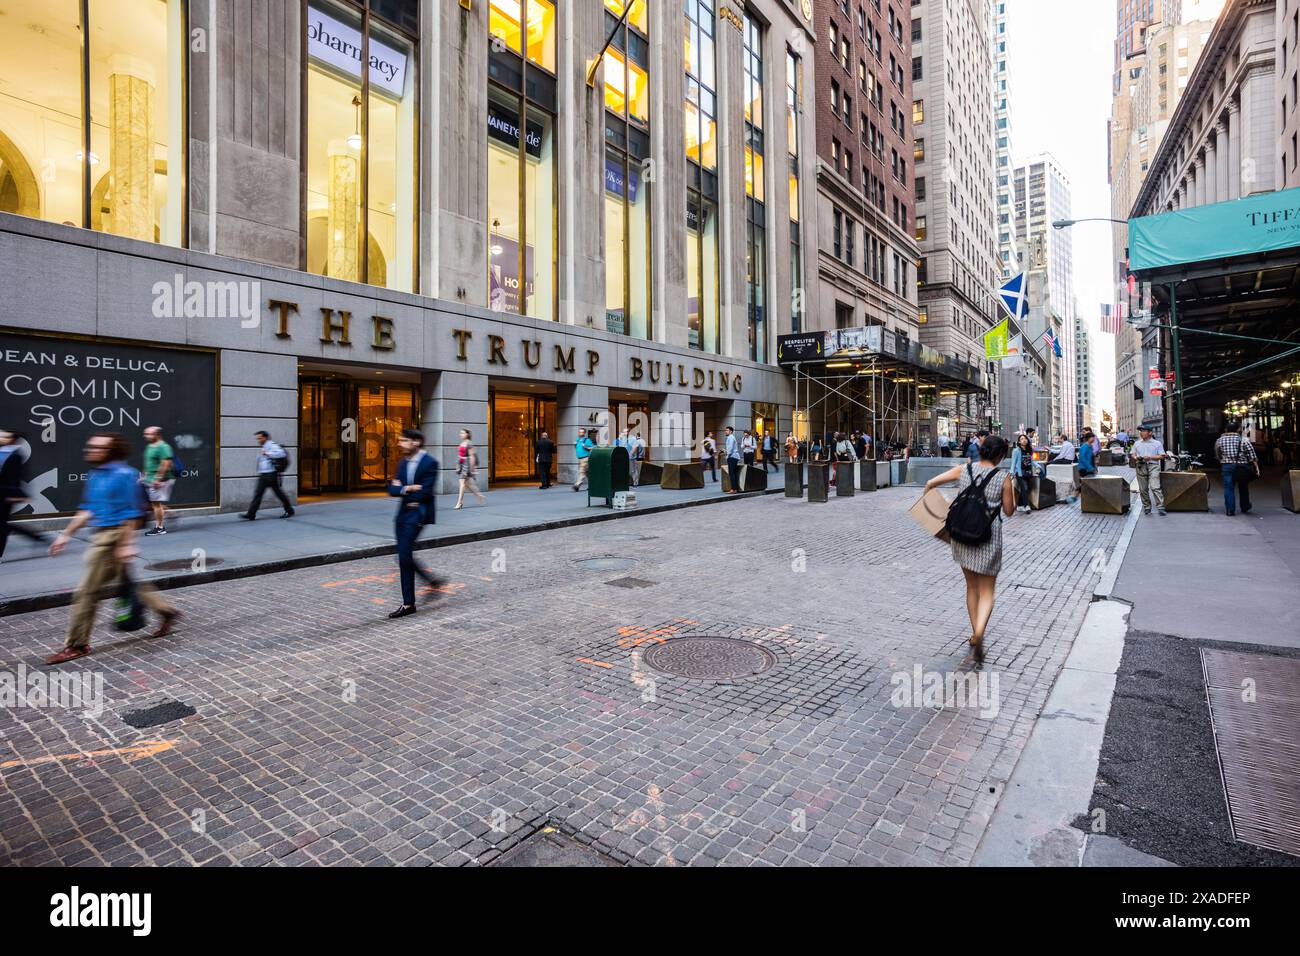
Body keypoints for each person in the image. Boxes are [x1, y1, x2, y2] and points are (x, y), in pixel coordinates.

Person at [45, 433, 180, 664]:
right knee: (130, 584)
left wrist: (127, 544)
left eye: (98, 448)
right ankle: (167, 611)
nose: (91, 450)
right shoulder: (95, 474)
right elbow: (88, 509)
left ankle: (77, 644)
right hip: (101, 534)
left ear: (112, 451)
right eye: (91, 446)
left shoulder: (124, 475)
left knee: (86, 592)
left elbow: (131, 513)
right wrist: (65, 535)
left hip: (114, 537)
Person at [924, 435, 1014, 665]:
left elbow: (930, 483)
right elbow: (1010, 510)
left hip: (962, 536)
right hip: (988, 538)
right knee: (987, 591)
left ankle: (975, 632)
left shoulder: (964, 469)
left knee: (971, 586)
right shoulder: (1004, 477)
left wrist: (929, 508)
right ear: (1001, 456)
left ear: (982, 450)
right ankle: (981, 632)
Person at [386, 428, 443, 619]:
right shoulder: (403, 462)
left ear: (416, 442)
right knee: (404, 556)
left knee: (403, 556)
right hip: (402, 514)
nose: (400, 443)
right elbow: (391, 489)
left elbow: (425, 492)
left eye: (404, 440)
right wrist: (408, 488)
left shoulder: (430, 463)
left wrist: (405, 490)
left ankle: (408, 603)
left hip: (418, 514)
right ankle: (432, 582)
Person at [0, 429, 47, 560]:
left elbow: (16, 476)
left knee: (2, 525)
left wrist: (16, 494)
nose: (1, 438)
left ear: (11, 439)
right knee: (4, 524)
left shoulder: (16, 455)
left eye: (4, 436)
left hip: (6, 495)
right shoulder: (2, 452)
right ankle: (37, 537)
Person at [241, 430, 294, 520]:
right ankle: (251, 514)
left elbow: (282, 453)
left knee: (278, 494)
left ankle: (289, 510)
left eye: (260, 438)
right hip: (264, 475)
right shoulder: (265, 446)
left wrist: (268, 453)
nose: (258, 440)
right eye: (258, 438)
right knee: (259, 494)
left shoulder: (272, 445)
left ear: (265, 437)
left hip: (271, 474)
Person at [1215, 420, 1258, 516]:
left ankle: (1230, 510)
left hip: (1227, 466)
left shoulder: (1220, 440)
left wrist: (1223, 460)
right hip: (1242, 466)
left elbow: (1218, 454)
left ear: (1226, 430)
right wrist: (1256, 467)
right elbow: (1252, 455)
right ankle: (1245, 506)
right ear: (1238, 429)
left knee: (1228, 488)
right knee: (1243, 487)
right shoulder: (1244, 440)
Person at [141, 426, 176, 535]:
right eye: (145, 434)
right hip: (150, 479)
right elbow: (149, 462)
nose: (145, 436)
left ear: (157, 435)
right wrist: (144, 475)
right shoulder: (150, 446)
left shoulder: (163, 447)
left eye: (149, 434)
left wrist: (158, 479)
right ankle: (170, 515)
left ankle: (160, 528)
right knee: (154, 503)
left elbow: (166, 463)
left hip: (159, 480)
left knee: (156, 504)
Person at [1129, 423, 1167, 516]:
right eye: (1140, 431)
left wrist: (1150, 457)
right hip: (1140, 466)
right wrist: (1136, 457)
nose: (1141, 433)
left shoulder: (1157, 443)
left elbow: (1162, 456)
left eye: (1143, 431)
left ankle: (1161, 507)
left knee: (1155, 487)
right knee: (1143, 489)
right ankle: (1147, 507)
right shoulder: (1137, 443)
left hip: (1153, 466)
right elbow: (1132, 453)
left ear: (1150, 433)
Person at [455, 428, 487, 508]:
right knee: (468, 485)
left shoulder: (469, 444)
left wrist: (472, 469)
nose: (461, 434)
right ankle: (480, 496)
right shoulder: (462, 443)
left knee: (462, 483)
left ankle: (459, 502)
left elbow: (472, 457)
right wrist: (457, 465)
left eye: (462, 433)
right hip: (461, 464)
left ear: (467, 434)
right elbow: (460, 455)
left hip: (467, 465)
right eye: (460, 433)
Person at [1011, 433, 1035, 514]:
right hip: (1020, 473)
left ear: (1027, 441)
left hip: (1028, 472)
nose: (1024, 440)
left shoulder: (1030, 450)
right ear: (1019, 441)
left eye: (1025, 439)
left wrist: (1038, 467)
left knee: (1024, 489)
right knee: (1024, 488)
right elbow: (1013, 463)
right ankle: (1026, 506)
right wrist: (1011, 472)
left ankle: (1019, 506)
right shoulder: (1016, 450)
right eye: (1021, 439)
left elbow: (1032, 461)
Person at [572, 427, 595, 491]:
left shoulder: (587, 440)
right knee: (587, 473)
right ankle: (592, 485)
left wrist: (586, 447)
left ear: (584, 433)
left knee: (582, 471)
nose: (580, 433)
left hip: (585, 458)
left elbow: (592, 447)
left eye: (582, 432)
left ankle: (577, 485)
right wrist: (574, 445)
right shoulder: (577, 440)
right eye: (579, 432)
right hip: (580, 458)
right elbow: (577, 448)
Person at [724, 426, 742, 493]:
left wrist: (727, 456)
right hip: (733, 456)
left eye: (727, 430)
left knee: (732, 473)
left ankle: (733, 489)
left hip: (732, 457)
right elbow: (730, 448)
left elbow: (731, 448)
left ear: (731, 431)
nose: (725, 431)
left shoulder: (730, 437)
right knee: (733, 473)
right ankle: (734, 488)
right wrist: (725, 451)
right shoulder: (730, 437)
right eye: (725, 430)